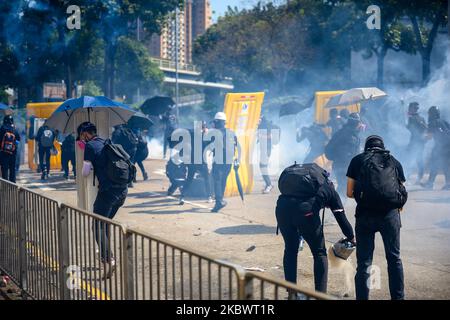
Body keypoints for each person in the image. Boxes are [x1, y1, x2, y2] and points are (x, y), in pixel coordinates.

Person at [275, 163, 355, 297]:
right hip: (306, 214)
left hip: (282, 209)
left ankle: (292, 294)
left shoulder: (300, 182)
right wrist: (351, 236)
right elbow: (341, 218)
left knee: (290, 249)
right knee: (319, 253)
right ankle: (320, 295)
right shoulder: (329, 189)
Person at [346, 135, 407, 300]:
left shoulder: (357, 160)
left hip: (365, 216)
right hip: (390, 216)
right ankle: (398, 297)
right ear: (382, 146)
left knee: (364, 262)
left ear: (366, 147)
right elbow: (401, 192)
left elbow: (349, 193)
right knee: (394, 259)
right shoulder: (393, 161)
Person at [79, 122, 129, 276]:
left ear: (86, 134)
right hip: (122, 191)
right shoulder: (107, 142)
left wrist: (85, 162)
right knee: (104, 223)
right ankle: (105, 253)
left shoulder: (90, 146)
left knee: (97, 226)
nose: (82, 138)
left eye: (82, 136)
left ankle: (109, 259)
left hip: (107, 193)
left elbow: (86, 172)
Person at [206, 112, 241, 212]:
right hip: (229, 160)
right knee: (223, 180)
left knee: (217, 180)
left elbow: (205, 143)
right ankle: (219, 201)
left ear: (216, 122)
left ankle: (218, 201)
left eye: (214, 122)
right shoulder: (231, 132)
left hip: (219, 160)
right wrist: (236, 159)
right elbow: (236, 146)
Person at [325, 112, 362, 197]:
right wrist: (339, 159)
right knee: (343, 187)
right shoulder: (346, 134)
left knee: (345, 187)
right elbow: (330, 148)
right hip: (343, 166)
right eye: (359, 122)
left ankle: (336, 204)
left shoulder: (352, 134)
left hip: (346, 166)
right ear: (356, 123)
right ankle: (336, 205)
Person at [179, 122, 213, 205]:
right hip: (201, 162)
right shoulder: (203, 137)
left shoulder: (192, 135)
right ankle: (209, 196)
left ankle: (182, 197)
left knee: (189, 179)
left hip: (192, 161)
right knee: (207, 178)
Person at [421, 106, 450, 190]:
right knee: (446, 165)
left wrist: (423, 139)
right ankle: (448, 184)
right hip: (448, 145)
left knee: (434, 164)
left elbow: (429, 136)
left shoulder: (432, 123)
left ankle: (430, 183)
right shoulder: (444, 121)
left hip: (440, 146)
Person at [406, 102, 427, 184]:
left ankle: (408, 177)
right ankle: (419, 177)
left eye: (414, 108)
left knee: (411, 158)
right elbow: (426, 128)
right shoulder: (421, 118)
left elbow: (409, 128)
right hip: (419, 142)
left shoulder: (412, 118)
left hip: (415, 142)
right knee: (418, 159)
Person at [258, 116, 280, 194]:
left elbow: (270, 136)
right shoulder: (262, 125)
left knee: (263, 166)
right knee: (262, 166)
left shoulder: (266, 126)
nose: (257, 121)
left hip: (267, 149)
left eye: (259, 119)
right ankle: (268, 184)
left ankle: (269, 184)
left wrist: (261, 136)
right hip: (265, 149)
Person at [0, 115, 21, 183]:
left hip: (3, 152)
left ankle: (5, 184)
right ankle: (13, 184)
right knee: (12, 168)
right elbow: (18, 140)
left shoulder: (2, 129)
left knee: (4, 168)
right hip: (13, 153)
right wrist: (14, 147)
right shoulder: (14, 129)